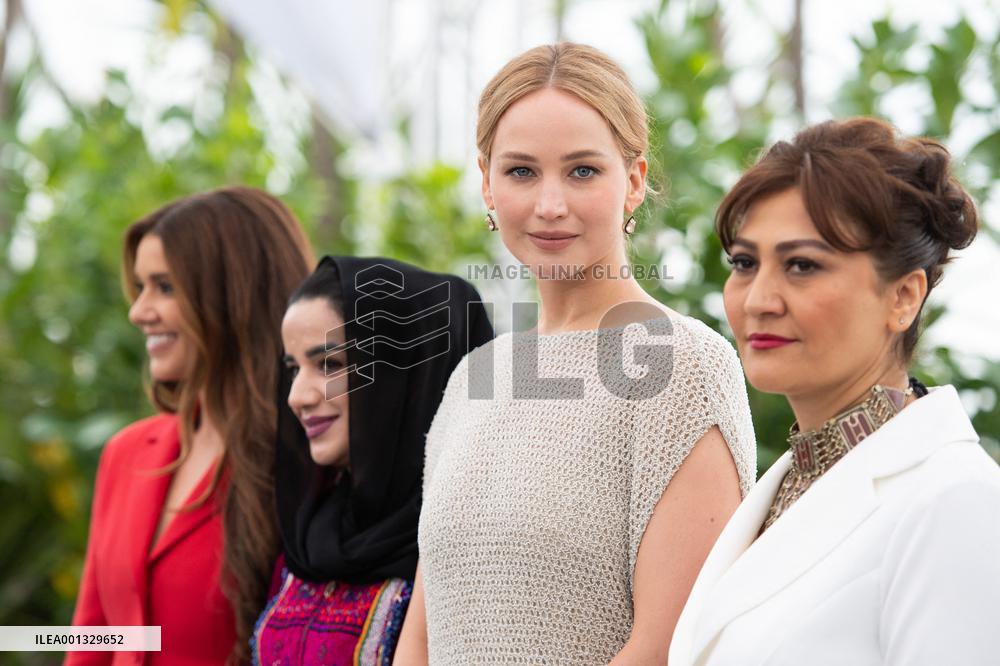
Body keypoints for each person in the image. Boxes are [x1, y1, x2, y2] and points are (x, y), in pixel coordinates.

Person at [394, 42, 757, 664]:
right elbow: (426, 636)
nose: (550, 205)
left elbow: (666, 646)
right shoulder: (475, 376)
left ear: (634, 181)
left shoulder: (686, 366)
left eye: (583, 170)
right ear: (485, 182)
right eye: (521, 171)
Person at [668, 117, 1000, 666]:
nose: (758, 300)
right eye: (745, 264)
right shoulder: (785, 486)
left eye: (802, 265)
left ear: (903, 297)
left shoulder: (955, 501)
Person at [67, 187, 315, 665]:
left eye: (164, 287)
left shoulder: (306, 458)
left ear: (232, 296)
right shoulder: (127, 452)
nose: (138, 312)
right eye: (140, 288)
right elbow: (93, 639)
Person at [252, 256, 493, 664]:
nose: (297, 396)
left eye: (329, 364)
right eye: (294, 369)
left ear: (406, 376)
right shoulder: (308, 536)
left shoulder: (472, 549)